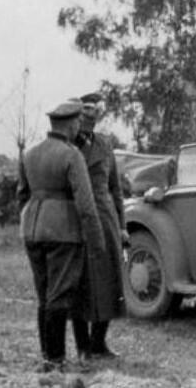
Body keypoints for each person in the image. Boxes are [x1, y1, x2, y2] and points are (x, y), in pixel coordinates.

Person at [17, 100, 106, 372]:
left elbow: (22, 195)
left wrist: (34, 220)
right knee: (59, 295)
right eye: (78, 122)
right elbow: (86, 204)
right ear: (70, 125)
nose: (80, 126)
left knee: (44, 295)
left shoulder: (30, 154)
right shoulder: (72, 155)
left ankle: (47, 355)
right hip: (63, 233)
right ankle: (55, 360)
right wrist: (97, 241)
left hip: (32, 230)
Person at [70, 92, 127, 361]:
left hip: (105, 220)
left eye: (93, 118)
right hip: (78, 219)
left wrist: (123, 225)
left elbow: (115, 189)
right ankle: (83, 346)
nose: (88, 123)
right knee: (80, 284)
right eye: (84, 117)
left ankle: (98, 342)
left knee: (109, 281)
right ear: (76, 118)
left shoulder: (105, 145)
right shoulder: (68, 146)